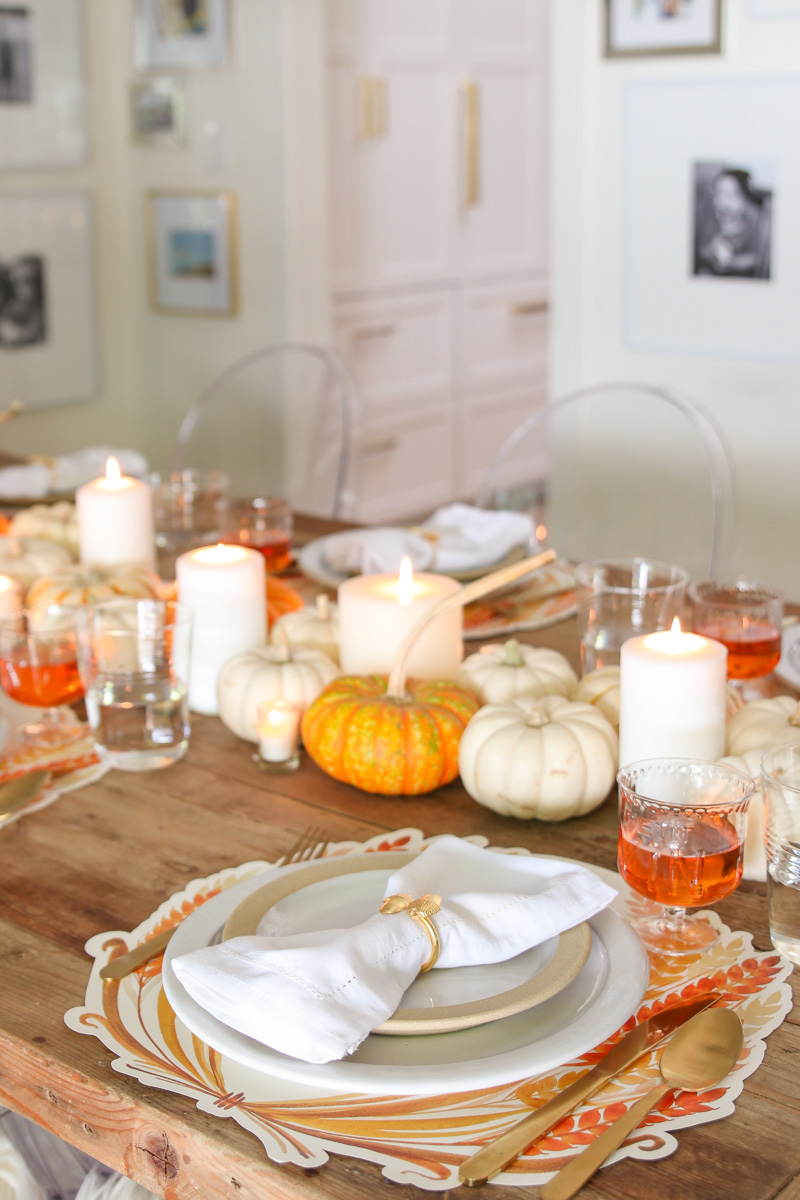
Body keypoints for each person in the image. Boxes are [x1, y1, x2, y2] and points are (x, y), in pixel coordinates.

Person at [695, 168, 772, 280]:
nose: (723, 201)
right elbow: (701, 249)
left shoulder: (751, 229)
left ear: (746, 201)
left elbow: (755, 259)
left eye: (732, 195)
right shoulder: (710, 223)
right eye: (718, 193)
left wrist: (732, 262)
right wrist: (711, 252)